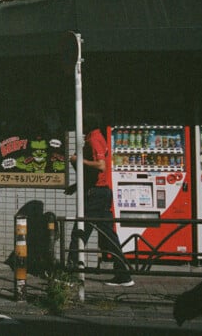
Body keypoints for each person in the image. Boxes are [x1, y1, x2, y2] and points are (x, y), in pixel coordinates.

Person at [65, 113, 134, 287]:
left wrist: (78, 159)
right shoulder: (98, 137)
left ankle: (71, 274)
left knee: (79, 232)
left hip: (95, 195)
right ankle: (124, 275)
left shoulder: (93, 139)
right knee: (109, 236)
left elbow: (100, 166)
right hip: (102, 192)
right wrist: (76, 186)